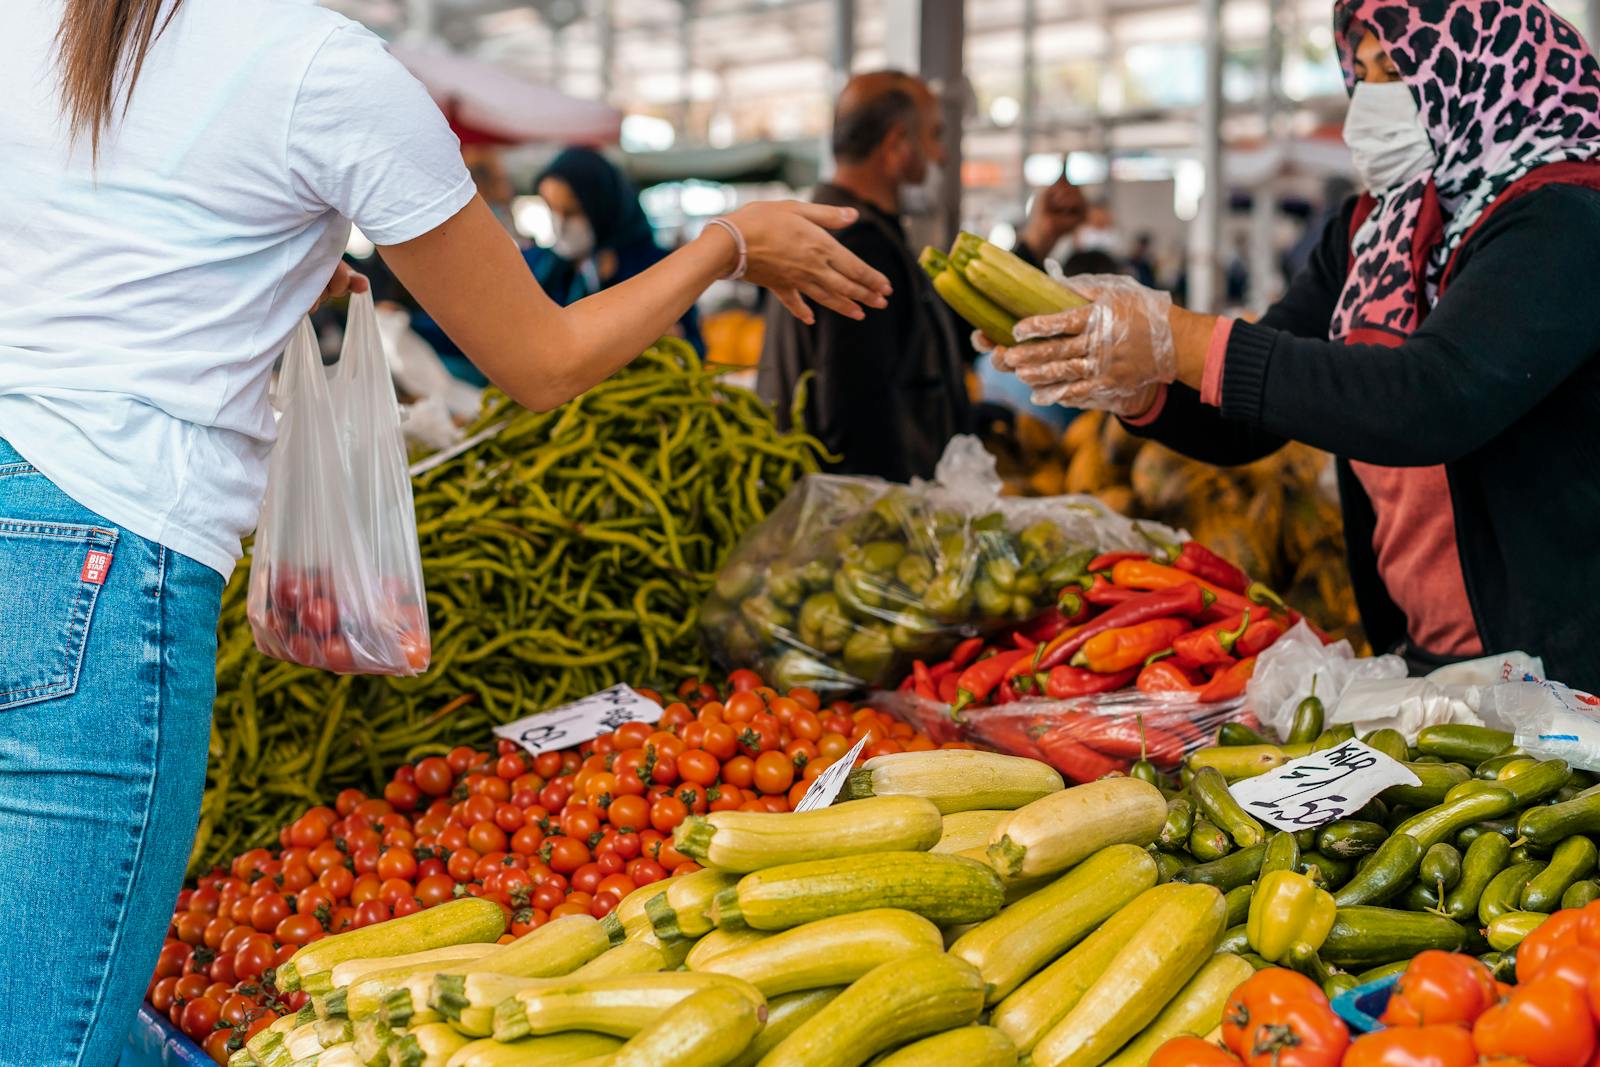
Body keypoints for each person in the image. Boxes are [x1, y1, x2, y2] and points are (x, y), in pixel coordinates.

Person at [0, 2, 891, 1061]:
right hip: (105, 557)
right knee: (55, 1034)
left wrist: (255, 262)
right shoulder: (321, 70)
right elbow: (540, 359)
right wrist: (727, 245)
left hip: (28, 511)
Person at [988, 0, 1600, 685]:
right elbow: (1251, 416)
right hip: (1436, 661)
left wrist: (1177, 335)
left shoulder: (1566, 218)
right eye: (1362, 74)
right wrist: (1136, 380)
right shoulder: (1370, 230)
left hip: (1570, 671)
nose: (1371, 98)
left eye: (1396, 70)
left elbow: (1431, 399)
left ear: (1483, 70)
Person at [758, 70, 968, 482]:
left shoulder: (839, 233)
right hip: (866, 526)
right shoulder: (858, 246)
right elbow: (856, 417)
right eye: (933, 135)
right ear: (895, 145)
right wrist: (891, 530)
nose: (940, 155)